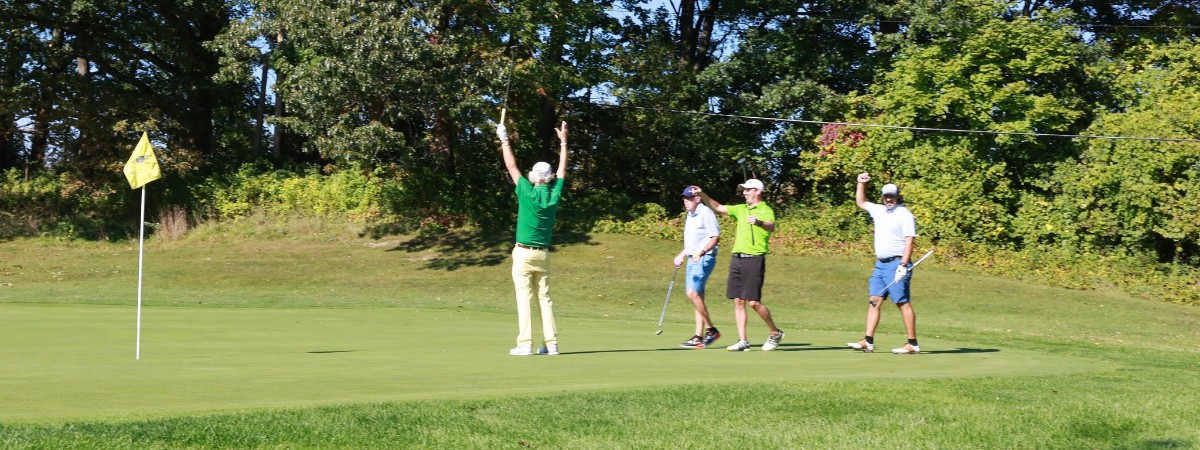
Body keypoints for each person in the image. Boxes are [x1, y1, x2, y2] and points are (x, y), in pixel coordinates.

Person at [498, 117, 568, 356]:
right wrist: (564, 143)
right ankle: (552, 344)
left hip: (523, 253)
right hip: (543, 255)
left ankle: (525, 344)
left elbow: (511, 167)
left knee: (524, 298)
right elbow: (562, 170)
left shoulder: (526, 190)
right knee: (545, 298)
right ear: (547, 178)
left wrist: (504, 140)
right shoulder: (554, 193)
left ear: (534, 176)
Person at [691, 179, 786, 352]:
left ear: (757, 191)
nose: (744, 193)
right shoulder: (741, 209)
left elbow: (771, 226)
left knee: (754, 303)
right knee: (738, 301)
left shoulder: (766, 210)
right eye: (743, 190)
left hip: (754, 258)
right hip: (737, 258)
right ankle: (743, 341)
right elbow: (718, 207)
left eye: (747, 190)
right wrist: (702, 194)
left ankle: (775, 332)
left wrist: (758, 222)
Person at [848, 172, 920, 354]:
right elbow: (861, 202)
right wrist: (860, 183)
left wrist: (903, 265)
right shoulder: (879, 210)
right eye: (886, 196)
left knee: (902, 302)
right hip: (880, 264)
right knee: (874, 300)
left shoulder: (904, 214)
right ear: (883, 197)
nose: (889, 199)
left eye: (892, 196)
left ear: (898, 196)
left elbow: (910, 241)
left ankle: (912, 343)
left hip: (897, 264)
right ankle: (868, 340)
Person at [674, 186, 721, 349]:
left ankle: (711, 330)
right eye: (685, 199)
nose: (686, 202)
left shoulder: (705, 213)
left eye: (689, 199)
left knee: (692, 293)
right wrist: (681, 255)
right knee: (697, 297)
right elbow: (692, 243)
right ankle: (698, 337)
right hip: (692, 258)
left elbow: (715, 237)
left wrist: (701, 252)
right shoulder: (690, 215)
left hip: (704, 257)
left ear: (697, 199)